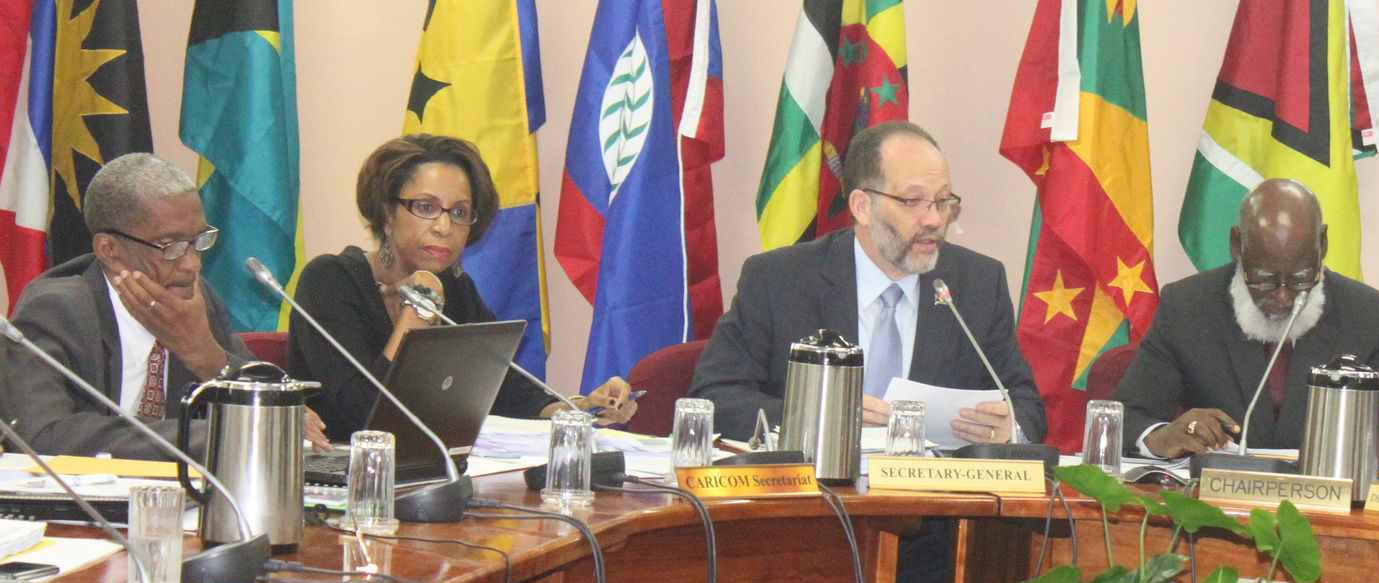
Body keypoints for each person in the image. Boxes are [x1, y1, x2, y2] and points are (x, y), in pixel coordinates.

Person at [690, 120, 1046, 444]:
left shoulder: (976, 284)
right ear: (862, 206)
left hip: (932, 506)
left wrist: (1009, 429)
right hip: (810, 502)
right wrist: (816, 420)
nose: (935, 219)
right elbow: (714, 396)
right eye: (913, 201)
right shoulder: (779, 280)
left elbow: (1026, 406)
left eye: (943, 201)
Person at [288, 134, 636, 441]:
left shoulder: (456, 289)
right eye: (426, 207)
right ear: (386, 213)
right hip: (342, 486)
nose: (444, 226)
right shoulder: (330, 282)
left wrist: (579, 408)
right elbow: (362, 418)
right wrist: (419, 305)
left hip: (427, 477)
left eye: (459, 212)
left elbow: (506, 390)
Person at [5, 153, 325, 460]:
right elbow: (42, 436)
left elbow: (276, 412)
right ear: (110, 250)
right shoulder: (56, 311)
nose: (192, 264)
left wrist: (206, 356)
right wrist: (220, 435)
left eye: (200, 240)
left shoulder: (197, 300)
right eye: (170, 246)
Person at [1115, 178, 1379, 459]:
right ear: (1237, 245)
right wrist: (1163, 436)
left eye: (1301, 278)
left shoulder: (1370, 315)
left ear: (1323, 245)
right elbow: (1125, 418)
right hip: (1217, 504)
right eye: (1263, 279)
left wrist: (1369, 449)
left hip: (1323, 505)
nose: (1283, 297)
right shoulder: (1188, 307)